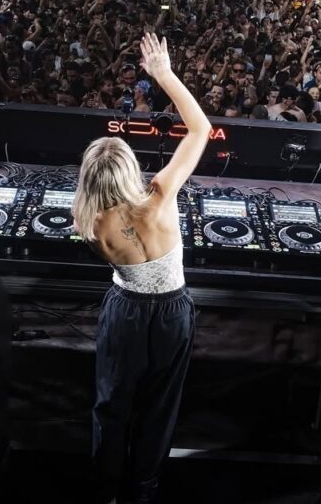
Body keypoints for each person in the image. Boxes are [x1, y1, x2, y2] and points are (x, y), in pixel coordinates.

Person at [73, 33, 211, 504]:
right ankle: (143, 489)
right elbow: (200, 130)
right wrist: (163, 74)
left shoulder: (90, 225)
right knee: (159, 407)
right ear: (129, 169)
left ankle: (105, 489)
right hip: (172, 314)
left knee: (112, 403)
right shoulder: (160, 195)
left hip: (125, 312)